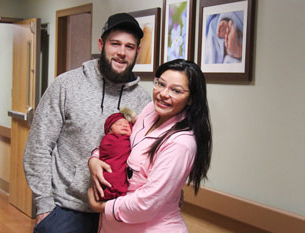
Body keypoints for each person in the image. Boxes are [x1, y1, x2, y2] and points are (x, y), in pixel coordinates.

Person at [23, 12, 151, 233]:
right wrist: (44, 207)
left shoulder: (145, 101)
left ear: (137, 51)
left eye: (130, 47)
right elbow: (38, 146)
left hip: (119, 215)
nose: (122, 52)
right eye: (115, 44)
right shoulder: (66, 85)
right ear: (101, 44)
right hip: (66, 211)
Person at [88, 59, 212, 233]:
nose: (163, 94)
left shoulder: (180, 144)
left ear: (191, 99)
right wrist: (94, 159)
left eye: (176, 90)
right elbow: (120, 141)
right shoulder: (150, 111)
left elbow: (146, 203)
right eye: (160, 84)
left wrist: (100, 206)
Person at [97, 107, 136, 201]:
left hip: (124, 173)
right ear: (110, 130)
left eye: (127, 125)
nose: (125, 126)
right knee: (112, 177)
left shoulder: (133, 140)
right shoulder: (109, 139)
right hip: (110, 170)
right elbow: (109, 149)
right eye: (119, 124)